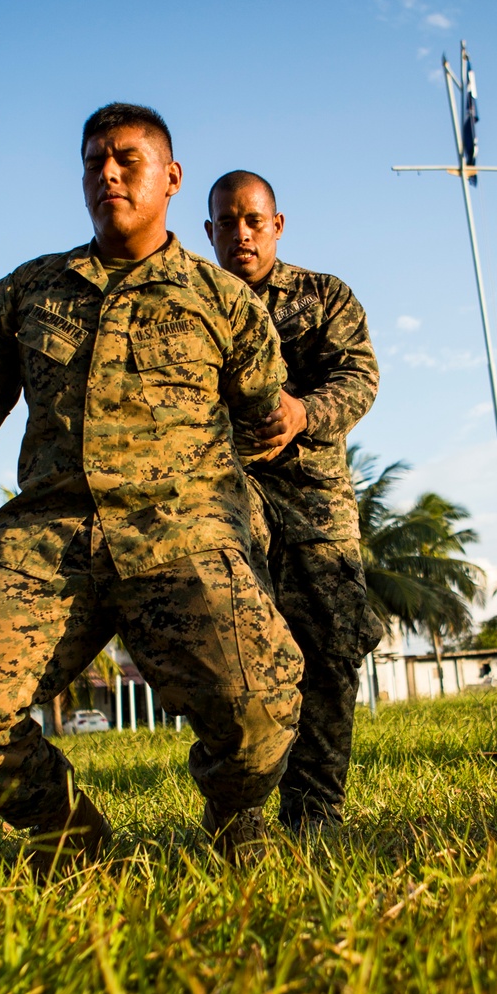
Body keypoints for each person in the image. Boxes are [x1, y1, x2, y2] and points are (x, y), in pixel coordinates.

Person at [0, 106, 303, 872]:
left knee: (266, 708)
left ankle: (234, 814)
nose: (108, 173)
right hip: (50, 547)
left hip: (182, 542)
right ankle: (73, 838)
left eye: (128, 158)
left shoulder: (224, 301)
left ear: (172, 177)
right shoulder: (28, 293)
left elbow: (272, 420)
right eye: (94, 160)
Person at [205, 170, 383, 832]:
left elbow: (359, 375)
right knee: (235, 654)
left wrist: (304, 412)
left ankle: (315, 812)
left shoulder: (325, 296)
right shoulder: (191, 306)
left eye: (254, 220)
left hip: (315, 504)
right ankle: (239, 811)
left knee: (331, 653)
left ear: (277, 224)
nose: (242, 233)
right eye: (228, 222)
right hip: (227, 495)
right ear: (210, 232)